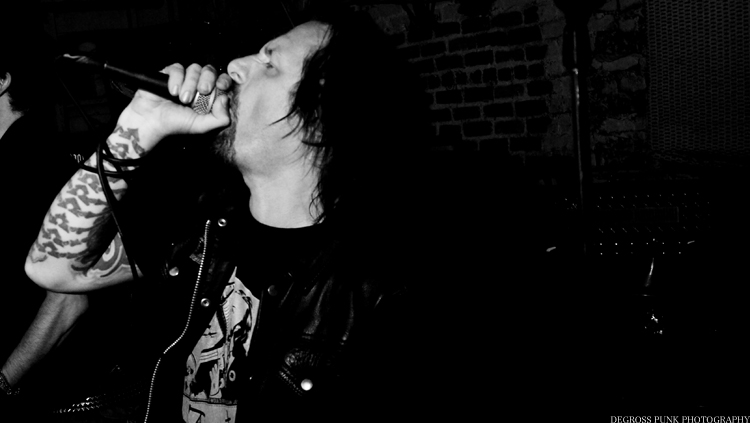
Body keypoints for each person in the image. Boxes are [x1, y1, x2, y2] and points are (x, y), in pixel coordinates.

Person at [26, 7, 433, 422]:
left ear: (323, 118)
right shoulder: (199, 225)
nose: (235, 66)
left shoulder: (383, 296)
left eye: (269, 63)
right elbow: (52, 270)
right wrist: (140, 124)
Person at [0, 6, 89, 413]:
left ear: (2, 80)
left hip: (49, 398)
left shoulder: (35, 163)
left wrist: (5, 381)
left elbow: (69, 299)